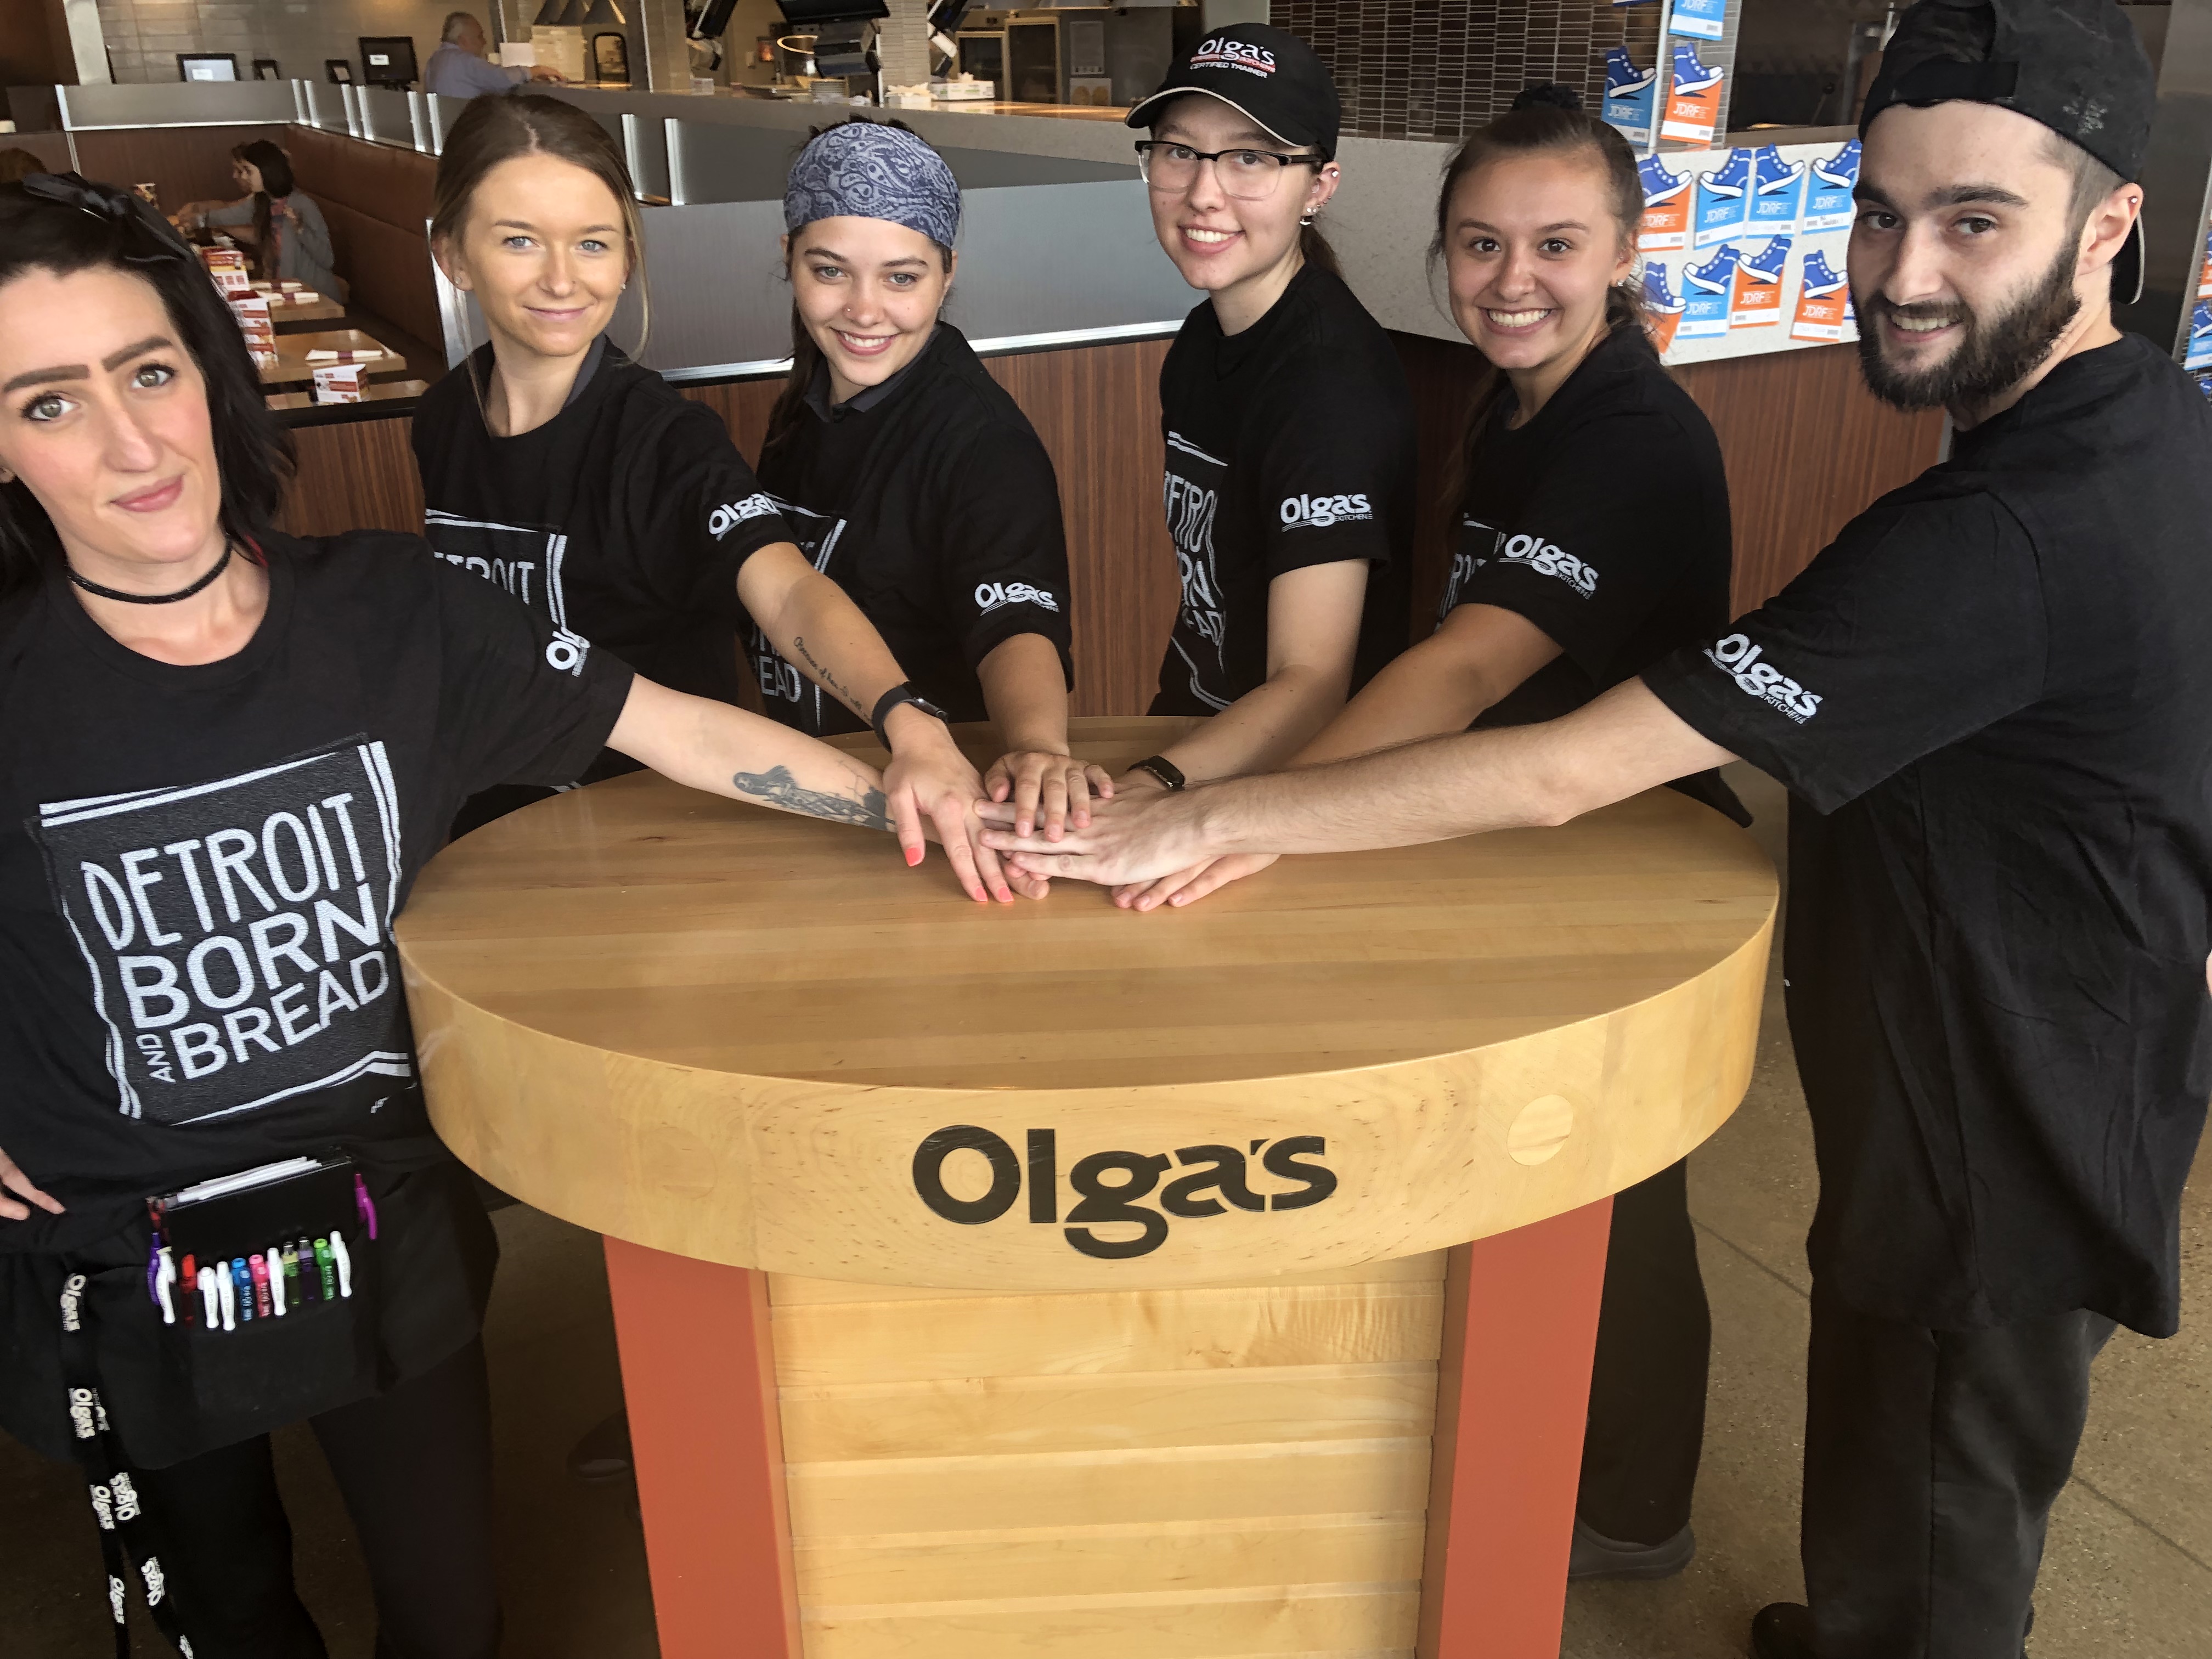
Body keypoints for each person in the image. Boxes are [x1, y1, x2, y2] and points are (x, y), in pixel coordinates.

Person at [982, 5, 2211, 1656]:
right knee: (1898, 1430)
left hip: (2014, 1099)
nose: (1906, 271)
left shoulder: (1996, 531)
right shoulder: (2128, 433)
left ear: (2111, 223)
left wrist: (1204, 820)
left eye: (1976, 222)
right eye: (1881, 211)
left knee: (1942, 1459)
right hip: (1997, 1038)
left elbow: (1560, 761)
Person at [0, 170, 901, 1655]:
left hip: (378, 1207)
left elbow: (674, 727)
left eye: (148, 371)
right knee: (222, 1617)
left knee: (450, 1611)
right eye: (48, 402)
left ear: (206, 379)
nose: (130, 441)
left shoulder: (397, 615)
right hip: (118, 1238)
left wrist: (916, 798)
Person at [1136, 81, 1740, 1579]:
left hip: (1627, 858)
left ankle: (1626, 1513)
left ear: (1625, 251)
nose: (1510, 280)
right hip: (1531, 841)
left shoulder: (1629, 440)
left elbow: (1471, 665)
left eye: (1552, 245)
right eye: (1479, 246)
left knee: (1621, 1184)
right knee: (1559, 1173)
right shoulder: (1519, 402)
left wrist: (1255, 819)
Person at [414, 95, 1012, 901]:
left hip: (645, 840)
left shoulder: (662, 442)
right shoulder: (444, 419)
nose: (562, 278)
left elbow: (790, 589)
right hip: (489, 831)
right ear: (453, 255)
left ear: (625, 258)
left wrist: (907, 720)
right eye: (519, 240)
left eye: (592, 244)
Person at [1109, 22, 1415, 905]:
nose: (1204, 193)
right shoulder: (1208, 334)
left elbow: (1315, 683)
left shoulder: (1326, 387)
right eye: (1180, 153)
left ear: (1318, 188)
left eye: (1250, 160)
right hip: (1205, 734)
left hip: (1291, 790)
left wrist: (1156, 784)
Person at [756, 117, 1108, 847]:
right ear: (789, 258)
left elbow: (1016, 620)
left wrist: (1039, 745)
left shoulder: (982, 444)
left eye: (902, 278)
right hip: (815, 795)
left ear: (948, 272)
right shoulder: (809, 401)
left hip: (931, 821)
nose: (863, 309)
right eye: (829, 271)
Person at [174, 140, 343, 301]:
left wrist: (301, 230)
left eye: (249, 171)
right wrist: (199, 220)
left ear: (267, 171)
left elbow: (327, 259)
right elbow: (229, 215)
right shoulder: (262, 201)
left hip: (315, 297)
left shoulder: (303, 206)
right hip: (285, 292)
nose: (245, 177)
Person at [425, 10, 562, 98]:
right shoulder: (463, 61)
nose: (484, 42)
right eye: (479, 37)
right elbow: (501, 79)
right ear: (463, 40)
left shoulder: (436, 59)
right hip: (469, 130)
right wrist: (537, 70)